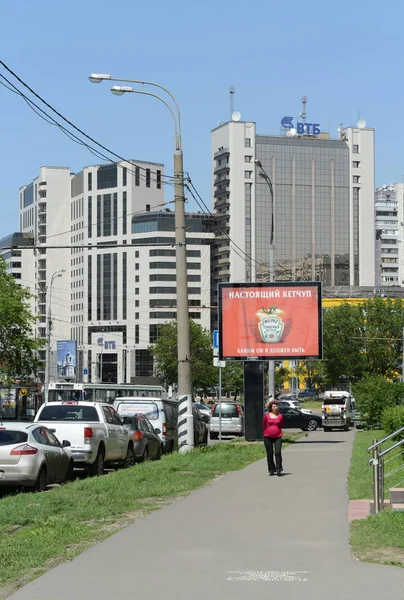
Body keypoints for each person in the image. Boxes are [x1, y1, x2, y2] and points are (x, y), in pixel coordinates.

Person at [262, 400, 284, 476]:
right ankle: (271, 469)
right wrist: (267, 432)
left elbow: (280, 425)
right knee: (270, 453)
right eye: (274, 406)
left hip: (278, 436)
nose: (275, 407)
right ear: (270, 408)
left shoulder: (280, 416)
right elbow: (264, 425)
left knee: (277, 452)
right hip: (267, 437)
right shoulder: (267, 416)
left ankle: (279, 469)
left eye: (276, 406)